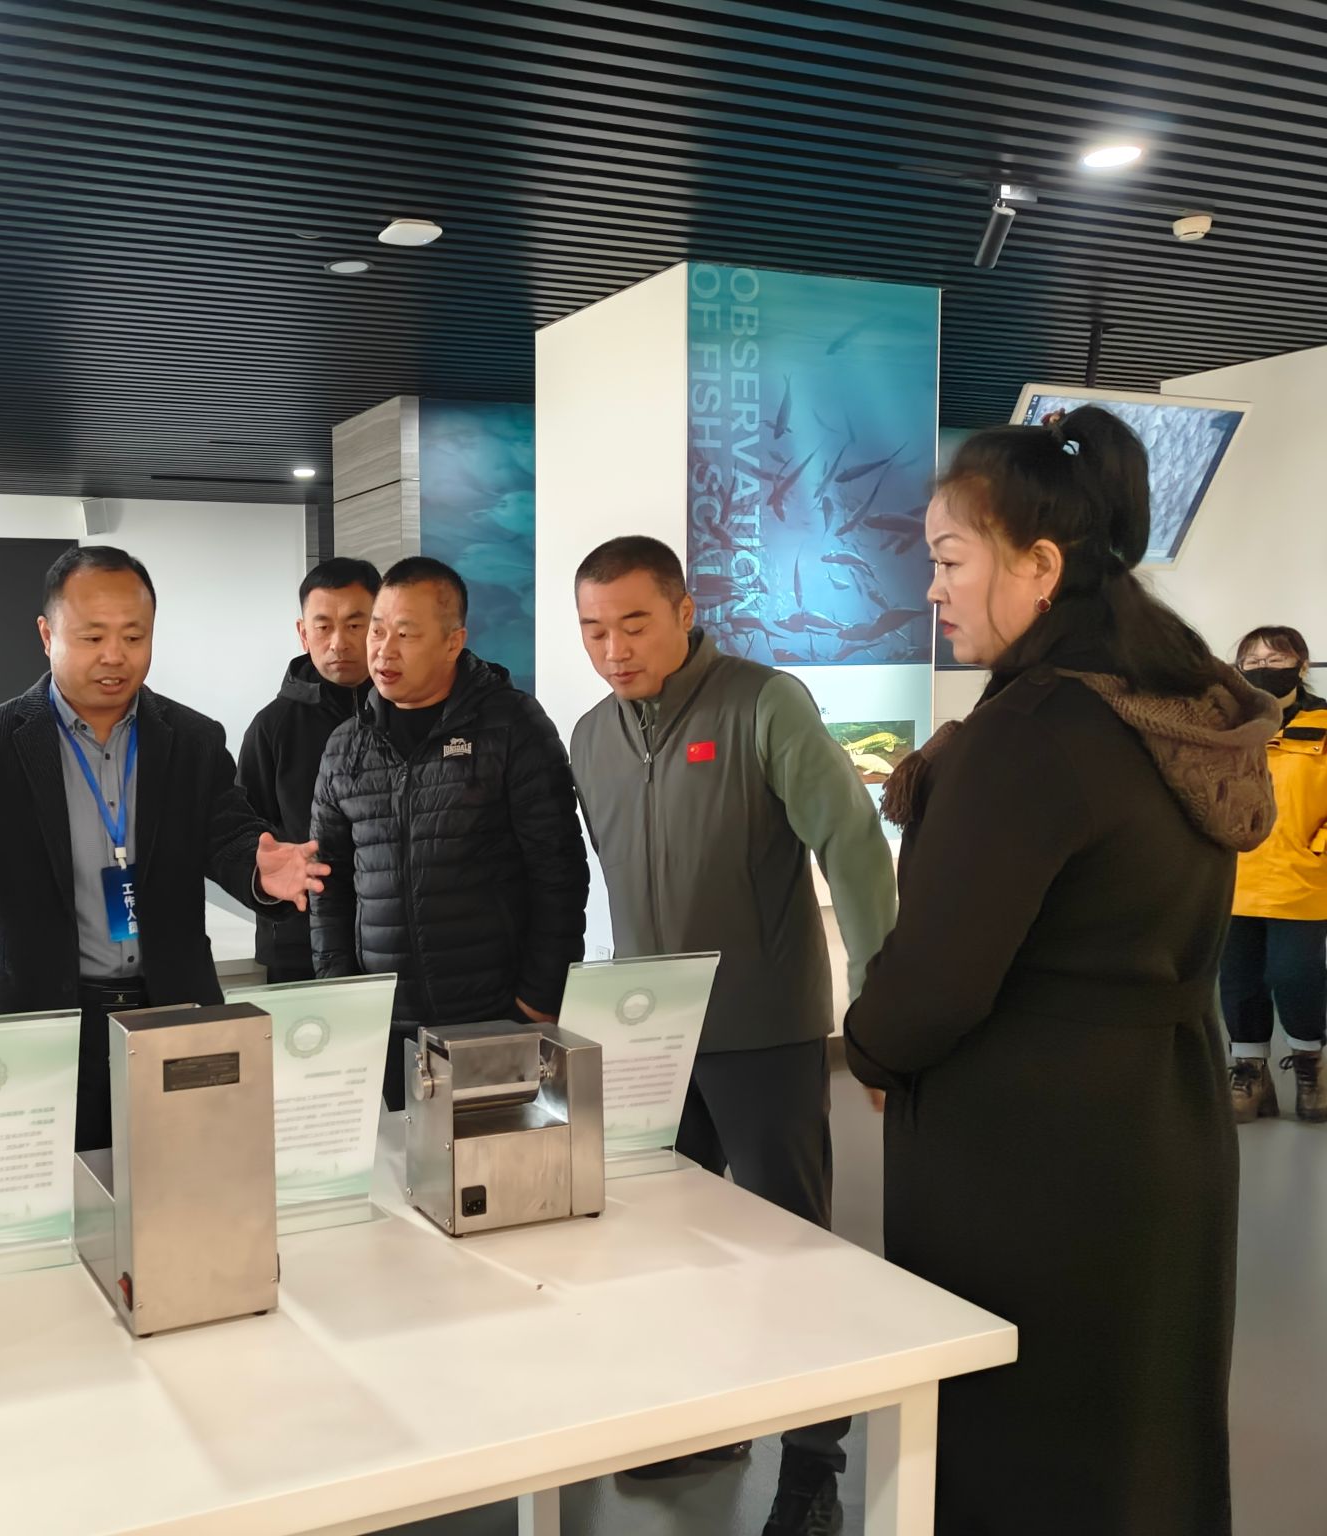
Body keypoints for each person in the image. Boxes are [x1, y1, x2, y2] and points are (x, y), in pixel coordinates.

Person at [844, 405, 1275, 1536]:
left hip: (1030, 1152)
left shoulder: (1031, 732)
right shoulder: (1177, 702)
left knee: (1025, 1442)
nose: (932, 589)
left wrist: (870, 1047)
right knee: (1143, 1430)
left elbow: (938, 979)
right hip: (1165, 1119)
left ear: (1038, 566)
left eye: (950, 560)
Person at [568, 535, 896, 1532]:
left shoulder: (763, 703)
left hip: (763, 1033)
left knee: (793, 1253)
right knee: (673, 1249)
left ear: (683, 611)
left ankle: (814, 1467)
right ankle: (711, 1418)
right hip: (651, 1045)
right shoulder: (590, 736)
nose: (614, 649)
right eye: (593, 630)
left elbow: (851, 846)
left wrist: (876, 999)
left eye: (633, 623)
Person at [0, 545, 326, 1152]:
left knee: (183, 1179)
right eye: (93, 636)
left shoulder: (193, 741)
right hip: (37, 1019)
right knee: (40, 1193)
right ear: (47, 635)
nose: (115, 655)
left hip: (171, 1014)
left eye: (134, 636)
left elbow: (229, 836)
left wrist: (260, 869)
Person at [310, 555, 588, 1107]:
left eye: (406, 634)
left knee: (492, 1159)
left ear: (453, 641)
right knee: (391, 1159)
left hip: (493, 1016)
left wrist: (537, 999)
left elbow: (558, 870)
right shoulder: (346, 745)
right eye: (377, 631)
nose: (383, 651)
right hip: (383, 1026)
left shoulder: (511, 726)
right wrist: (341, 993)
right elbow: (327, 881)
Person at [237, 557, 380, 983]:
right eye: (323, 626)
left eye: (355, 625)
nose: (339, 643)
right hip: (299, 941)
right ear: (303, 633)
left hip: (396, 938)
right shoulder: (271, 727)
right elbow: (243, 833)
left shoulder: (407, 714)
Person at [1226, 624, 1327, 1122]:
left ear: (1301, 665)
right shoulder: (1227, 726)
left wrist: (1317, 851)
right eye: (1253, 662)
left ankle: (1311, 1066)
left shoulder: (1324, 723)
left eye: (1276, 660)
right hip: (1233, 879)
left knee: (1295, 976)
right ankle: (1251, 1075)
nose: (1263, 669)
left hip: (1301, 879)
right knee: (1238, 980)